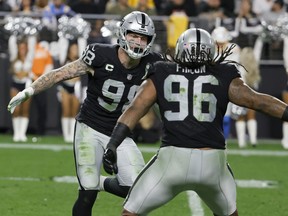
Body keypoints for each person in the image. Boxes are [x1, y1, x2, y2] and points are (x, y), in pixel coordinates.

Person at [102, 28, 288, 216]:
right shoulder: (224, 72)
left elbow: (135, 109)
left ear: (181, 49)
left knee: (130, 213)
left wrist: (113, 143)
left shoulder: (162, 70)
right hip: (212, 164)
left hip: (173, 160)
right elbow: (258, 101)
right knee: (229, 213)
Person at [7, 11, 163, 216]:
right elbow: (59, 74)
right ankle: (91, 184)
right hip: (90, 127)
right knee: (87, 192)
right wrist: (29, 91)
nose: (137, 41)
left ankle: (100, 183)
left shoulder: (153, 63)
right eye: (133, 35)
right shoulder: (100, 54)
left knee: (139, 188)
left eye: (143, 38)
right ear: (123, 34)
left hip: (121, 132)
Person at [9, 37, 33, 142]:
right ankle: (16, 133)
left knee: (25, 110)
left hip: (27, 86)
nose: (22, 50)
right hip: (16, 85)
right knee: (16, 109)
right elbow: (18, 74)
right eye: (20, 48)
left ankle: (22, 134)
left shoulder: (30, 58)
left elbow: (28, 73)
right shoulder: (14, 58)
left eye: (24, 48)